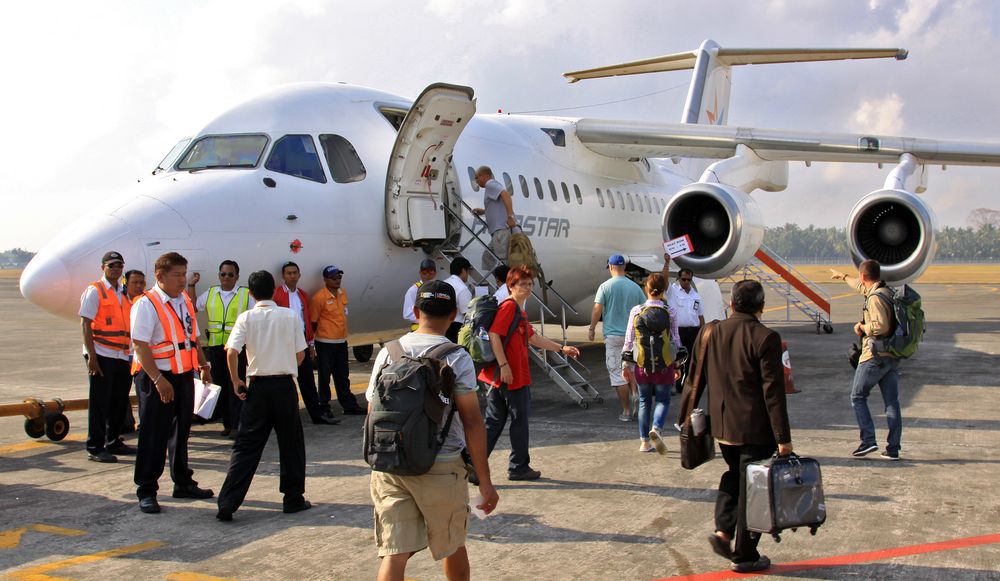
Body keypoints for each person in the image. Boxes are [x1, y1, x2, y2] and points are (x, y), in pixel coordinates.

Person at [366, 280, 499, 581]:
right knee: (452, 546)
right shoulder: (456, 356)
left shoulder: (390, 352)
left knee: (395, 554)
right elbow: (473, 421)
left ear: (415, 311)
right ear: (454, 314)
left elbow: (373, 410)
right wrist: (485, 481)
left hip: (391, 464)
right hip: (440, 465)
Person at [678, 279, 792, 573]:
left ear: (731, 304)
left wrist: (685, 419)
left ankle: (723, 531)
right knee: (755, 490)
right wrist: (783, 438)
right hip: (755, 430)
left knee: (734, 476)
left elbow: (694, 378)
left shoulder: (711, 331)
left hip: (722, 428)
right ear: (762, 307)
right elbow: (773, 392)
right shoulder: (766, 338)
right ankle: (744, 555)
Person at [216, 271, 311, 521]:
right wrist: (286, 364)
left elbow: (231, 352)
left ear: (251, 293)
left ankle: (228, 502)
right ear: (274, 291)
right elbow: (301, 355)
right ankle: (293, 498)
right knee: (291, 444)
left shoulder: (246, 317)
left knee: (246, 446)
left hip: (257, 387)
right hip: (283, 386)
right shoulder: (289, 316)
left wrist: (237, 380)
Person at [478, 266, 581, 481]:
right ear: (511, 286)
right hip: (511, 376)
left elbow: (533, 339)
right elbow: (495, 335)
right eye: (522, 284)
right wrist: (505, 365)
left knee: (494, 422)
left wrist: (562, 349)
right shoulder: (509, 307)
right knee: (518, 422)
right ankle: (518, 467)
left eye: (530, 284)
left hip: (504, 377)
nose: (527, 288)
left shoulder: (519, 311)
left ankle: (474, 467)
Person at [131, 252, 215, 514]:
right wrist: (158, 380)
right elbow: (140, 345)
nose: (182, 280)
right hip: (157, 377)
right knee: (153, 434)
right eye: (177, 275)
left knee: (182, 433)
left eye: (184, 274)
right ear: (160, 276)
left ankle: (182, 482)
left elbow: (193, 337)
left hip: (183, 376)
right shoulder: (147, 304)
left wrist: (203, 366)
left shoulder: (185, 302)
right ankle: (146, 488)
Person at [830, 260, 902, 460]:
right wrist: (843, 276)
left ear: (863, 275)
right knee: (891, 402)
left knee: (857, 396)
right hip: (891, 356)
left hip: (874, 356)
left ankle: (868, 440)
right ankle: (893, 448)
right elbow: (861, 287)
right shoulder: (885, 292)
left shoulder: (875, 299)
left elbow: (880, 326)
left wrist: (862, 328)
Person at [189, 260, 255, 437]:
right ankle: (227, 424)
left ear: (237, 277)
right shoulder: (211, 293)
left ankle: (237, 425)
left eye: (230, 274)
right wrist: (191, 286)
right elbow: (193, 306)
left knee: (237, 385)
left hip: (235, 348)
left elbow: (254, 317)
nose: (226, 278)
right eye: (223, 274)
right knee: (221, 387)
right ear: (219, 275)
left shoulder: (244, 294)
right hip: (216, 347)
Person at [80, 251, 133, 462]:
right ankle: (95, 446)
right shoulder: (95, 291)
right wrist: (91, 357)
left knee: (119, 401)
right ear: (103, 268)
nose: (116, 269)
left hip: (121, 354)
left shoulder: (123, 291)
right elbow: (85, 324)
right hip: (101, 353)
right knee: (100, 402)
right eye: (112, 265)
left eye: (119, 265)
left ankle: (113, 441)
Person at [274, 261, 338, 425]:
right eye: (289, 273)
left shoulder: (302, 294)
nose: (292, 276)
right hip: (285, 341)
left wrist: (310, 343)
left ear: (299, 275)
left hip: (301, 339)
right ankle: (288, 416)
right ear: (283, 276)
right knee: (286, 380)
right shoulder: (278, 294)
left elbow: (306, 320)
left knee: (307, 379)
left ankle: (316, 415)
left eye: (295, 273)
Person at [621, 273, 680, 453]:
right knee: (663, 400)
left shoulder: (637, 311)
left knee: (645, 401)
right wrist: (677, 364)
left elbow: (629, 340)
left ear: (646, 289)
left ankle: (644, 442)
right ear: (663, 291)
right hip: (664, 365)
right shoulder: (670, 312)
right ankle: (657, 428)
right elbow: (676, 340)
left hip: (642, 365)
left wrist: (625, 364)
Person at [589, 254, 646, 421]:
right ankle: (635, 392)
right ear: (624, 268)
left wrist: (592, 328)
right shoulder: (635, 287)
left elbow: (597, 309)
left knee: (616, 373)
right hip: (633, 336)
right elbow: (643, 309)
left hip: (613, 336)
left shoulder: (605, 286)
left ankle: (626, 411)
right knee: (632, 368)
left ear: (611, 268)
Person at [311, 265, 365, 416]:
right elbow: (313, 322)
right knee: (324, 377)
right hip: (325, 343)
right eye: (333, 278)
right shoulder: (319, 298)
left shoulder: (342, 293)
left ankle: (349, 405)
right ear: (325, 280)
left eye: (339, 277)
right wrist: (313, 344)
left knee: (342, 375)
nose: (337, 280)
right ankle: (324, 406)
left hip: (341, 341)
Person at [472, 166, 516, 271]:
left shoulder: (490, 184)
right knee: (487, 258)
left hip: (501, 230)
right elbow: (497, 207)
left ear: (483, 176)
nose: (476, 182)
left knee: (502, 261)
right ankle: (499, 282)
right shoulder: (490, 187)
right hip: (497, 233)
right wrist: (483, 211)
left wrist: (510, 216)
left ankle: (506, 285)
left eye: (476, 178)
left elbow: (505, 194)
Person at [667, 268, 704, 392]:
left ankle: (686, 383)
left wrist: (702, 332)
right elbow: (663, 277)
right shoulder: (672, 291)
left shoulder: (696, 295)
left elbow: (700, 315)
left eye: (689, 280)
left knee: (691, 359)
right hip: (678, 330)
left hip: (693, 330)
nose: (686, 282)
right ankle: (674, 383)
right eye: (683, 279)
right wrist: (666, 263)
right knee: (676, 358)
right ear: (678, 279)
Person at [121, 268, 147, 434]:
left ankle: (145, 424)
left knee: (143, 394)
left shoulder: (146, 301)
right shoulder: (120, 300)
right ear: (126, 283)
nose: (138, 286)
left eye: (141, 283)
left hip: (138, 356)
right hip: (121, 354)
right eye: (134, 283)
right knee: (121, 393)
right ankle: (124, 425)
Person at [401, 258, 438, 331]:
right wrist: (427, 317)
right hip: (419, 330)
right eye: (424, 273)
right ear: (420, 273)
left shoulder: (439, 288)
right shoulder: (414, 290)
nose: (427, 276)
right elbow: (407, 314)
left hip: (435, 329)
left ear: (435, 273)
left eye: (430, 273)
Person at [443, 257, 473, 343]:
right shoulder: (462, 289)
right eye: (468, 272)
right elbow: (467, 314)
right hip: (455, 329)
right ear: (464, 270)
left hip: (440, 325)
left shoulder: (443, 283)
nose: (468, 275)